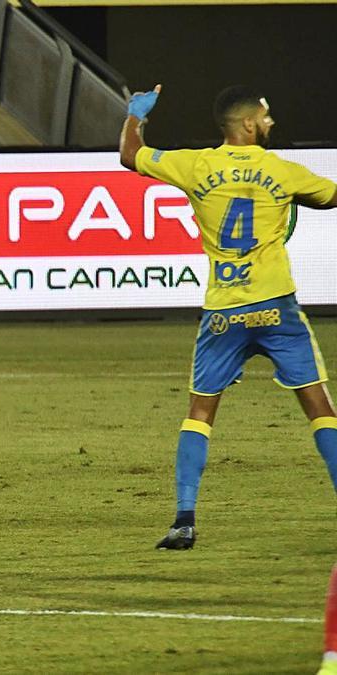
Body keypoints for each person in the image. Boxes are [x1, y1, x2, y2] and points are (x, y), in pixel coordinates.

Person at [120, 84, 337, 550]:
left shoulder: (197, 165)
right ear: (246, 124)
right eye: (266, 116)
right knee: (319, 406)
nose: (271, 123)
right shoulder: (283, 171)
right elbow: (332, 197)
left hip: (223, 311)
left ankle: (183, 520)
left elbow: (129, 154)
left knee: (200, 411)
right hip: (276, 306)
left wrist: (137, 116)